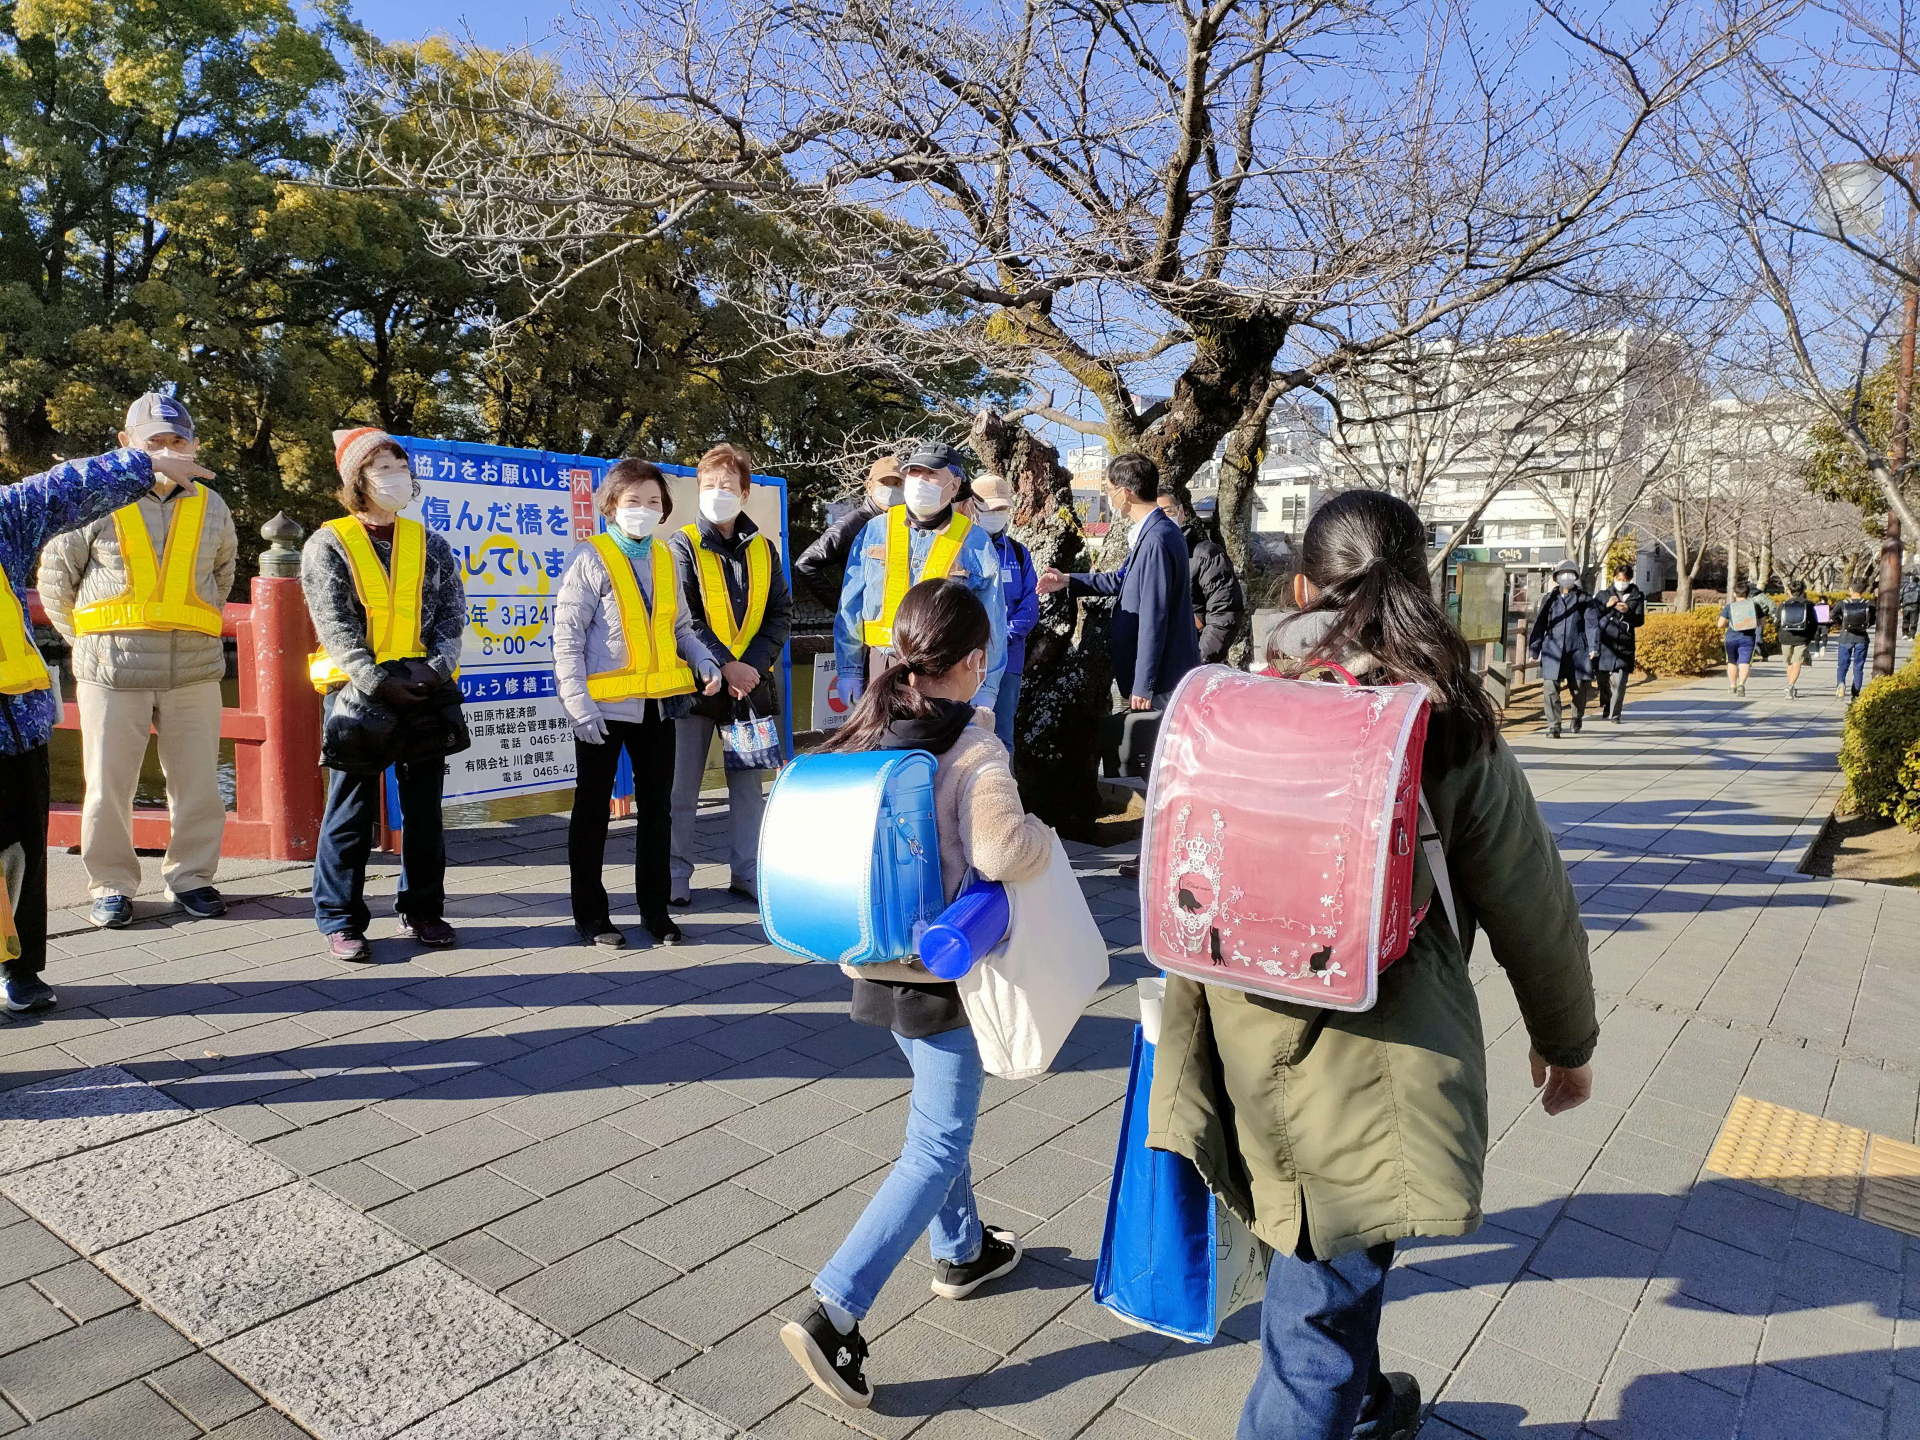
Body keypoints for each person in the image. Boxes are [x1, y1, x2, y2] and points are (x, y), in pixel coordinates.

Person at [1151, 489, 1596, 1440]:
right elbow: (1535, 905)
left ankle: (1361, 1406)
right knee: (1318, 1329)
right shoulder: (1444, 724)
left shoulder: (1239, 702)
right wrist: (1567, 1044)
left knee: (1313, 1269)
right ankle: (1331, 1404)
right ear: (1419, 589)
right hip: (1374, 1068)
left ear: (1302, 586)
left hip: (1238, 1038)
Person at [778, 578, 1054, 1410]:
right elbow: (1005, 851)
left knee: (941, 1115)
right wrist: (1042, 840)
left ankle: (963, 1250)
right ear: (973, 663)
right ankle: (835, 1309)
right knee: (935, 1144)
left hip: (870, 960)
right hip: (941, 972)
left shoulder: (865, 725)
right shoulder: (972, 748)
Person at [1, 444, 210, 1010]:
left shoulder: (4, 516)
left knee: (19, 852)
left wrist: (145, 465)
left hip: (12, 721)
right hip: (73, 689)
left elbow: (62, 488)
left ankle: (16, 968)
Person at [37, 394, 237, 929]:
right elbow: (56, 577)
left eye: (179, 440)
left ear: (194, 445)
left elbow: (222, 574)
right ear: (127, 444)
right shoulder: (93, 497)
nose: (169, 450)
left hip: (193, 668)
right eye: (156, 441)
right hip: (112, 668)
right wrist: (83, 641)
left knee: (198, 783)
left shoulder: (212, 504)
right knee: (107, 784)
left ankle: (192, 877)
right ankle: (111, 884)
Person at [302, 426, 467, 963]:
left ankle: (422, 908)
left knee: (424, 808)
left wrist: (437, 669)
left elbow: (451, 613)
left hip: (424, 688)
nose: (395, 476)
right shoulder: (329, 543)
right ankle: (340, 919)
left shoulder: (430, 543)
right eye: (381, 468)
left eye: (400, 465)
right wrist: (376, 680)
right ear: (356, 479)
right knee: (349, 809)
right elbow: (333, 622)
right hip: (357, 692)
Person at [554, 460, 724, 948]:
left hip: (658, 708)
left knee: (657, 812)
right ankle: (591, 916)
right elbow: (565, 638)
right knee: (592, 813)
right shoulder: (591, 558)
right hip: (602, 711)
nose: (644, 511)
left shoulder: (668, 558)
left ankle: (656, 913)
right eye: (634, 501)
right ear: (611, 505)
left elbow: (681, 629)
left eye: (654, 502)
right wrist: (578, 706)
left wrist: (704, 662)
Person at [667, 443, 792, 906]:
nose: (718, 493)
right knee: (682, 788)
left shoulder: (764, 549)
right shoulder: (681, 545)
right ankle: (676, 877)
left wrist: (750, 668)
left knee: (748, 788)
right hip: (694, 685)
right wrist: (725, 664)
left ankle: (747, 874)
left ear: (745, 493)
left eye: (728, 486)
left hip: (750, 690)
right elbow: (686, 616)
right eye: (710, 485)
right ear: (698, 489)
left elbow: (780, 613)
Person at [835, 441, 1004, 713]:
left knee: (938, 752)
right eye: (913, 472)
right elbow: (850, 607)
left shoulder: (976, 542)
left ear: (954, 485)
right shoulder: (876, 530)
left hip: (945, 672)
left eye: (931, 473)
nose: (920, 480)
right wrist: (849, 669)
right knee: (882, 751)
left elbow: (992, 620)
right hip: (883, 665)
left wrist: (986, 687)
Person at [967, 473, 1038, 754]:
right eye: (990, 508)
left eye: (1002, 509)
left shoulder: (1019, 553)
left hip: (1008, 659)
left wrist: (1005, 635)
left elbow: (1030, 602)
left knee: (1003, 737)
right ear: (973, 506)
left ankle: (1005, 796)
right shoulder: (958, 548)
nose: (996, 514)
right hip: (964, 659)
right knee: (962, 735)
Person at [794, 457, 903, 611]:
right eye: (884, 482)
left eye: (897, 483)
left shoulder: (911, 524)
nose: (891, 489)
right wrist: (842, 606)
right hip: (862, 628)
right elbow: (805, 564)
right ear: (869, 486)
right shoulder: (851, 524)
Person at [1157, 488, 1245, 666]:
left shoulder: (1206, 555)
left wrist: (1197, 661)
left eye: (1168, 511)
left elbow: (1224, 613)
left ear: (1181, 512)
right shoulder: (1142, 557)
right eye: (1155, 514)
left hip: (1191, 660)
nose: (1163, 519)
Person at [1527, 560, 1598, 739]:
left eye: (1570, 573)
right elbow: (1540, 623)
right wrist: (1534, 649)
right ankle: (1554, 726)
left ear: (1575, 576)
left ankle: (1576, 716)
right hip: (1552, 649)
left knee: (1579, 689)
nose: (1566, 576)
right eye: (1562, 573)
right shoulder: (1549, 599)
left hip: (1578, 651)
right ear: (1556, 577)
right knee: (1550, 688)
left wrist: (1593, 646)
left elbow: (1591, 625)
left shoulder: (1584, 598)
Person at [1592, 563, 1644, 724]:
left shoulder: (1637, 596)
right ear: (1614, 578)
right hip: (1605, 643)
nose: (1622, 582)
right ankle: (1607, 702)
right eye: (1619, 579)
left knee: (1620, 682)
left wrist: (1627, 611)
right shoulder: (1603, 594)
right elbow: (1592, 615)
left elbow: (1639, 620)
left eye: (1626, 579)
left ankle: (1615, 714)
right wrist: (1607, 605)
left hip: (1624, 644)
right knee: (1602, 681)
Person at [1777, 580, 1819, 699]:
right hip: (1802, 637)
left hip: (1786, 637)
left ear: (1789, 591)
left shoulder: (1783, 605)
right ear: (1803, 591)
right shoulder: (1809, 605)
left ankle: (1790, 686)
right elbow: (1815, 623)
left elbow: (1777, 622)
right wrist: (1809, 637)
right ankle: (1791, 685)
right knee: (1797, 663)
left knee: (1789, 663)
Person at [1717, 580, 1761, 695]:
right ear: (1748, 594)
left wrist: (1729, 624)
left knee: (1731, 661)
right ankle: (1741, 684)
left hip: (1731, 637)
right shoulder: (1755, 606)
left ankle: (1732, 686)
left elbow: (1720, 624)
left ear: (1734, 594)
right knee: (1744, 662)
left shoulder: (1729, 607)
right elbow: (1762, 622)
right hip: (1748, 638)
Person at [1834, 581, 1874, 702]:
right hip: (1862, 638)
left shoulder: (1843, 603)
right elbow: (1873, 619)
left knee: (1842, 664)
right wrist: (1865, 626)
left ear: (1851, 590)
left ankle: (1841, 684)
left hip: (1845, 637)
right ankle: (1855, 693)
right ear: (1863, 591)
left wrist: (1841, 624)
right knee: (1858, 667)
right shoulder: (1869, 604)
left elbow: (1832, 615)